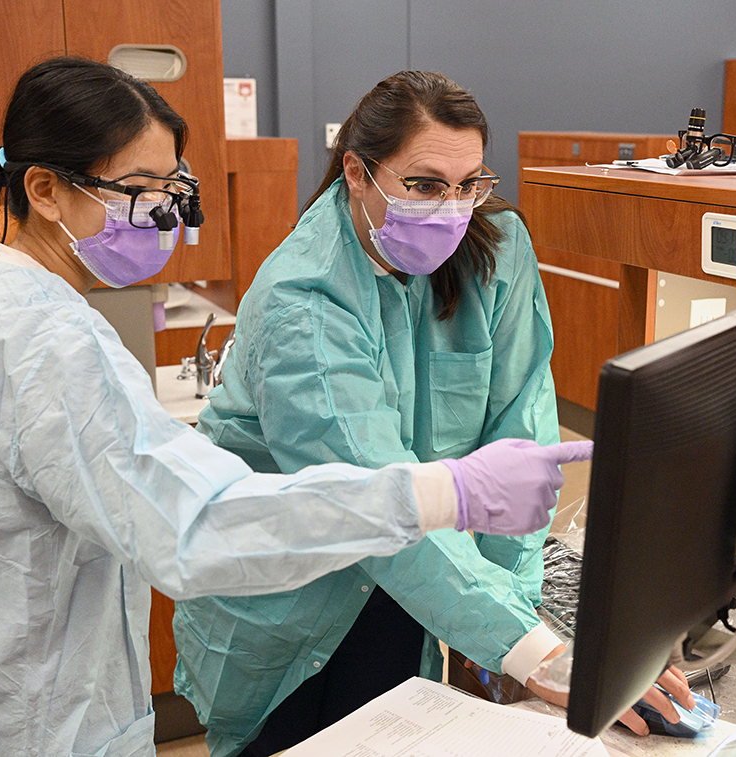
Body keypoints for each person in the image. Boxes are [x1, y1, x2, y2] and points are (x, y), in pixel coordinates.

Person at [0, 58, 586, 757]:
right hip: (17, 724)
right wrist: (444, 492)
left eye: (170, 188)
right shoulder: (37, 339)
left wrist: (513, 615)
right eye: (139, 191)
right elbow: (197, 524)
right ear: (45, 190)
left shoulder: (4, 308)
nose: (162, 216)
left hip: (18, 705)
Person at [172, 71, 693, 757]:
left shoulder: (495, 248)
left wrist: (517, 620)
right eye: (423, 185)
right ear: (357, 173)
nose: (451, 208)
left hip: (419, 582)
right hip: (288, 600)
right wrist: (534, 652)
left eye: (469, 183)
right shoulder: (303, 299)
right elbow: (371, 496)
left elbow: (521, 443)